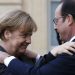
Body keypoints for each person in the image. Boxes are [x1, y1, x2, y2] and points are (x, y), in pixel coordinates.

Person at [0, 1, 75, 74]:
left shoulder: (28, 58)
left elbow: (38, 71)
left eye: (30, 35)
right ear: (7, 34)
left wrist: (50, 54)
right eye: (24, 35)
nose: (29, 41)